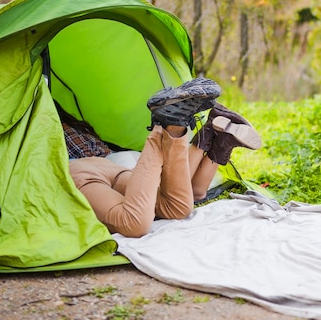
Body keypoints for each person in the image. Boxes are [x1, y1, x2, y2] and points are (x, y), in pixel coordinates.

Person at [62, 77, 261, 238]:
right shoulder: (78, 126)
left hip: (80, 170)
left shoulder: (46, 125)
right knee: (179, 206)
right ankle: (179, 128)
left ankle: (164, 126)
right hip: (109, 164)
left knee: (134, 223)